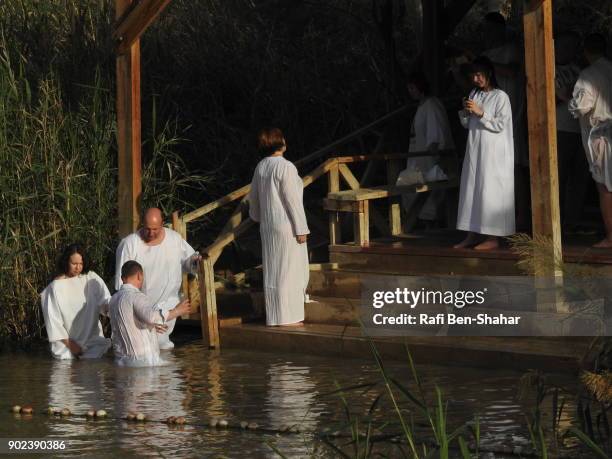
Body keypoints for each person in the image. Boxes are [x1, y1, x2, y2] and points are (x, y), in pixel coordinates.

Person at [115, 207, 201, 349]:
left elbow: (190, 263)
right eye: (147, 229)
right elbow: (122, 286)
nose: (151, 233)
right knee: (141, 349)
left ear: (162, 224)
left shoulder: (174, 239)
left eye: (155, 229)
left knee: (163, 347)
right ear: (142, 223)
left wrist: (196, 261)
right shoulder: (130, 244)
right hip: (140, 310)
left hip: (168, 305)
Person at [248, 128, 309, 326]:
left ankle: (275, 315)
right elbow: (293, 201)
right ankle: (288, 317)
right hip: (286, 225)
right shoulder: (286, 167)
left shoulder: (261, 167)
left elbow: (254, 198)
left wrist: (256, 217)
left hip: (268, 225)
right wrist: (301, 229)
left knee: (274, 270)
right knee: (289, 269)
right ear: (280, 143)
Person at [454, 56, 515, 250]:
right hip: (475, 149)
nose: (476, 79)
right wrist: (466, 111)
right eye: (473, 75)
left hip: (494, 154)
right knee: (472, 189)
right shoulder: (475, 93)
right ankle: (472, 233)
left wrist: (481, 113)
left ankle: (492, 237)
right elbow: (466, 124)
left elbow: (500, 124)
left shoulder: (501, 96)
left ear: (489, 74)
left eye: (479, 75)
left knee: (490, 192)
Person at [569, 33, 612, 248]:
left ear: (586, 52)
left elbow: (581, 107)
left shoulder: (589, 74)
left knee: (605, 186)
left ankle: (611, 237)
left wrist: (564, 97)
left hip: (601, 134)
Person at [396, 72, 455, 227]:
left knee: (422, 187)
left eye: (413, 88)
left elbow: (435, 132)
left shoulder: (432, 104)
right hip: (418, 156)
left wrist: (433, 151)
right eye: (409, 88)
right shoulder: (422, 106)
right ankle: (420, 221)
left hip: (429, 158)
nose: (411, 91)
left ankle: (432, 222)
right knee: (407, 185)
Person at [109, 261, 191, 367]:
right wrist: (177, 311)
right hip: (143, 362)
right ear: (139, 276)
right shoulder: (136, 296)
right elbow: (152, 317)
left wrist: (150, 327)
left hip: (122, 363)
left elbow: (127, 323)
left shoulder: (113, 300)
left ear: (122, 278)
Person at [40, 243, 111, 359]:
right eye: (74, 264)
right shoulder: (54, 287)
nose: (78, 268)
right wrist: (71, 344)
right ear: (66, 262)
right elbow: (53, 323)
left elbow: (106, 301)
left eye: (81, 264)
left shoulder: (91, 278)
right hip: (66, 347)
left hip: (93, 343)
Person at [555, 31, 591, 233]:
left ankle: (572, 221)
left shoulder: (578, 69)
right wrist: (566, 93)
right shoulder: (549, 68)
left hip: (581, 129)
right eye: (565, 46)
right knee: (559, 177)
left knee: (579, 177)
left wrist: (566, 93)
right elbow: (549, 98)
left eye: (573, 46)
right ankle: (556, 221)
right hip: (560, 129)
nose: (569, 50)